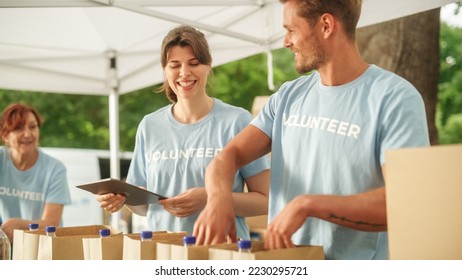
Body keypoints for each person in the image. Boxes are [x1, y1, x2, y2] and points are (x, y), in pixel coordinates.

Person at [193, 0, 430, 260]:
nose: (285, 41)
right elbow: (227, 157)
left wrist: (308, 205)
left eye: (291, 30)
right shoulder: (287, 97)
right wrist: (218, 198)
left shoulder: (395, 98)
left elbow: (406, 200)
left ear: (326, 25)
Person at [96, 25, 270, 240]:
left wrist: (211, 198)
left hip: (223, 251)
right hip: (164, 251)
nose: (184, 73)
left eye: (194, 63)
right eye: (175, 65)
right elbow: (144, 206)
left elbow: (266, 200)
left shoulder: (237, 121)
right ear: (165, 70)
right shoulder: (150, 125)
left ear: (208, 66)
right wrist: (122, 198)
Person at [0, 103, 71, 241]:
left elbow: (51, 223)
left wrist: (19, 225)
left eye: (32, 127)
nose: (27, 134)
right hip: (7, 249)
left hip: (44, 250)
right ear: (5, 135)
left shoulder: (55, 169)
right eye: (19, 128)